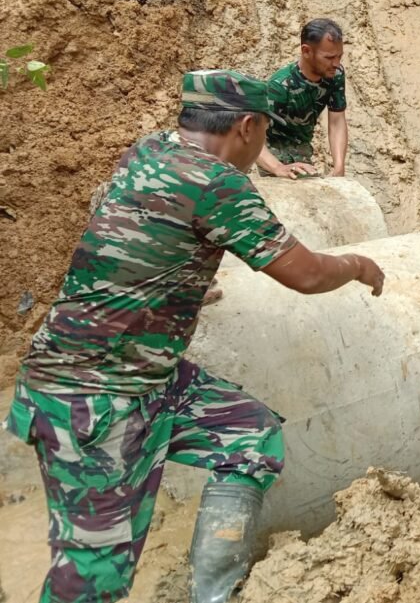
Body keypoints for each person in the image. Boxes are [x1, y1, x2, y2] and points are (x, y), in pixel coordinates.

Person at [2, 69, 385, 603]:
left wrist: (177, 289)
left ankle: (213, 593)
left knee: (249, 435)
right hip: (91, 396)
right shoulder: (218, 183)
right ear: (247, 126)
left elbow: (128, 230)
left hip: (145, 376)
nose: (264, 144)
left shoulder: (148, 151)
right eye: (265, 132)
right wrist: (359, 264)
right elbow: (307, 274)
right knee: (93, 580)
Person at [256, 18, 349, 180]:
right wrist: (277, 168)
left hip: (303, 150)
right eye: (329, 58)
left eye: (339, 56)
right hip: (273, 154)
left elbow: (337, 120)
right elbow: (252, 137)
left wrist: (339, 167)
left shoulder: (335, 75)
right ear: (306, 51)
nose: (336, 63)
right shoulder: (280, 85)